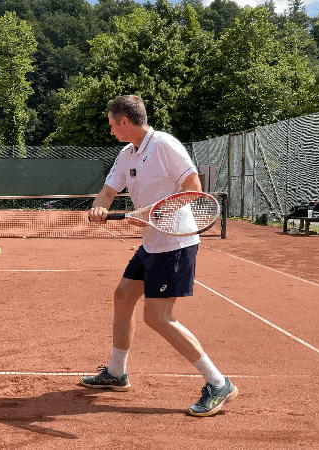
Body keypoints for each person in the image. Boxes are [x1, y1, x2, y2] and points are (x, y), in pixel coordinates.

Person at [81, 95, 237, 417]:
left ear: (125, 122)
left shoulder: (165, 145)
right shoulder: (128, 154)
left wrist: (155, 214)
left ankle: (218, 382)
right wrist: (100, 207)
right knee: (123, 297)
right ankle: (117, 372)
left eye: (112, 125)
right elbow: (109, 191)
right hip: (151, 243)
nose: (110, 131)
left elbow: (193, 188)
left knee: (157, 317)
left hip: (175, 244)